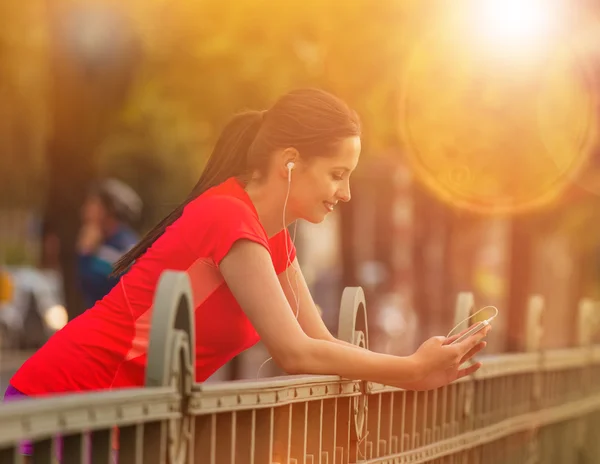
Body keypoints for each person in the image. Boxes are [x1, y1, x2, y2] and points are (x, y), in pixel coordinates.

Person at [3, 88, 489, 457]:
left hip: (116, 425)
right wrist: (410, 371)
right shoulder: (228, 219)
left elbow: (322, 343)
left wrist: (422, 361)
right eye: (338, 174)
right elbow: (294, 352)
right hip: (59, 407)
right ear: (290, 163)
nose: (345, 194)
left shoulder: (268, 232)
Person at [76, 178, 141, 310]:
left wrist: (85, 252)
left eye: (92, 204)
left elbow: (93, 285)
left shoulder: (121, 247)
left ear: (108, 210)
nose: (85, 210)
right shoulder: (105, 242)